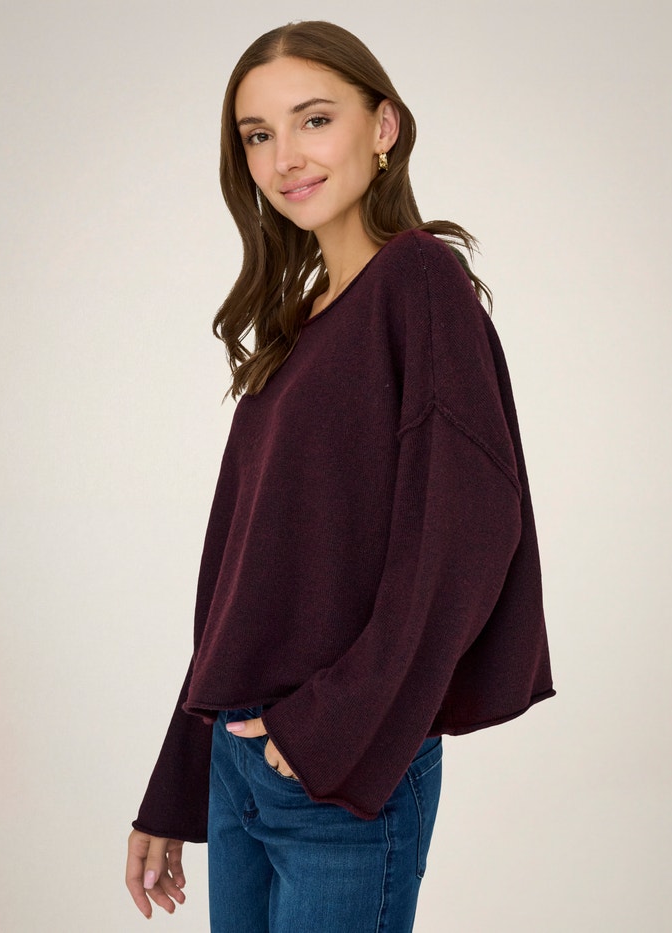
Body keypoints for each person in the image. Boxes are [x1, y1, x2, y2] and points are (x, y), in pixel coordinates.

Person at [125, 20, 554, 933]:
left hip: (340, 765)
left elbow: (468, 530)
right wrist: (178, 779)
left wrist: (332, 725)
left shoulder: (419, 280)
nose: (285, 157)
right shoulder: (299, 323)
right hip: (243, 757)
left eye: (314, 119)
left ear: (383, 126)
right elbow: (238, 581)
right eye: (258, 134)